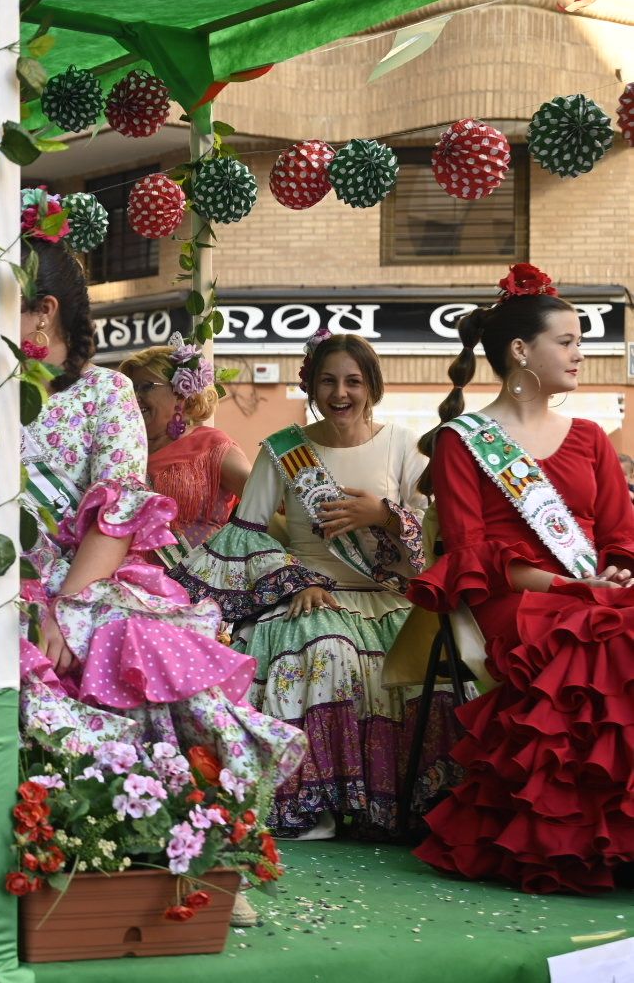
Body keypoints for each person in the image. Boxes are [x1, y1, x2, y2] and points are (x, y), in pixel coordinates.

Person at [0, 240, 305, 808]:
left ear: (44, 311)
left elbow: (117, 514)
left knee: (128, 653)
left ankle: (115, 818)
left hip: (68, 575)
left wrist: (64, 610)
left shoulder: (107, 393)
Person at [408, 264, 634, 894]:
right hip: (516, 603)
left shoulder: (590, 438)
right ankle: (577, 840)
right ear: (520, 351)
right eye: (567, 341)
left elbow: (621, 535)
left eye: (580, 342)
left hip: (595, 594)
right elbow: (473, 553)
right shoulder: (462, 442)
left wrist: (616, 568)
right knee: (605, 634)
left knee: (610, 626)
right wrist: (576, 589)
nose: (580, 354)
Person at [175, 333, 449, 839]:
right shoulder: (284, 450)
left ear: (372, 386)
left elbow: (436, 531)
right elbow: (246, 534)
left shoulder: (404, 445)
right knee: (326, 650)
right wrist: (296, 580)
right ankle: (315, 801)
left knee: (426, 666)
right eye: (328, 381)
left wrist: (385, 515)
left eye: (353, 381)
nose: (340, 393)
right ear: (312, 386)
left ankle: (399, 805)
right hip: (311, 594)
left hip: (390, 597)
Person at [120, 340, 250, 555]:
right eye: (130, 389)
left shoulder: (211, 445)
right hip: (124, 571)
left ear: (180, 393)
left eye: (145, 386)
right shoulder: (121, 450)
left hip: (198, 573)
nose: (134, 397)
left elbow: (265, 499)